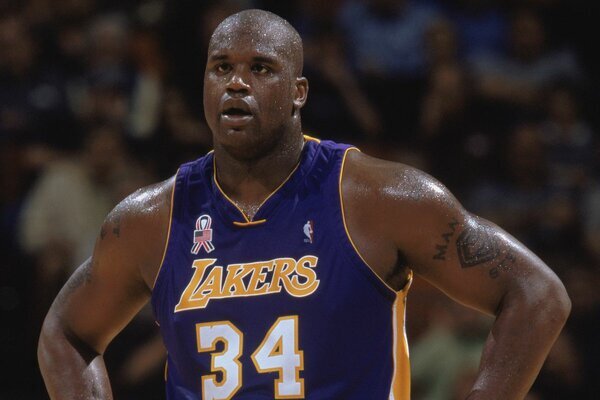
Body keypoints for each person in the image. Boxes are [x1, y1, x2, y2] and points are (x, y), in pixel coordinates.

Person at [38, 9, 570, 400]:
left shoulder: (378, 198)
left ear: (299, 92)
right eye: (221, 68)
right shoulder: (151, 219)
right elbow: (65, 334)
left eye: (260, 68)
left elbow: (537, 294)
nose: (237, 83)